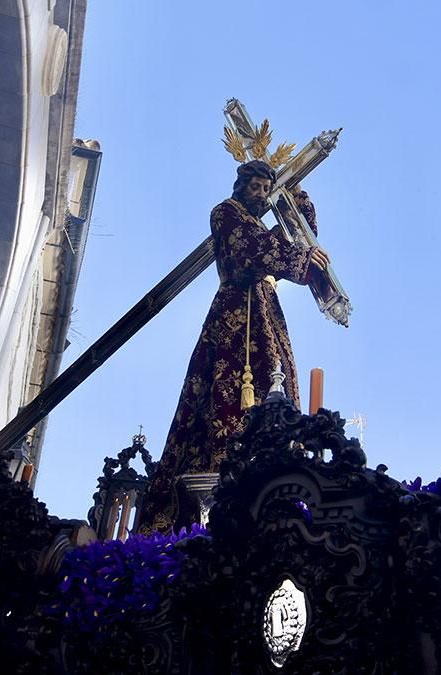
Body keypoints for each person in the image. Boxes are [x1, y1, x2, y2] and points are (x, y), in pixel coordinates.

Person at [137, 159, 330, 533]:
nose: (259, 194)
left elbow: (292, 241)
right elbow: (250, 251)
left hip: (265, 313)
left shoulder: (260, 227)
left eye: (265, 188)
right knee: (224, 393)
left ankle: (276, 459)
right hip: (235, 316)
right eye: (254, 187)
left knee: (275, 384)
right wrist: (299, 258)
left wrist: (299, 202)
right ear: (241, 187)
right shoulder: (225, 214)